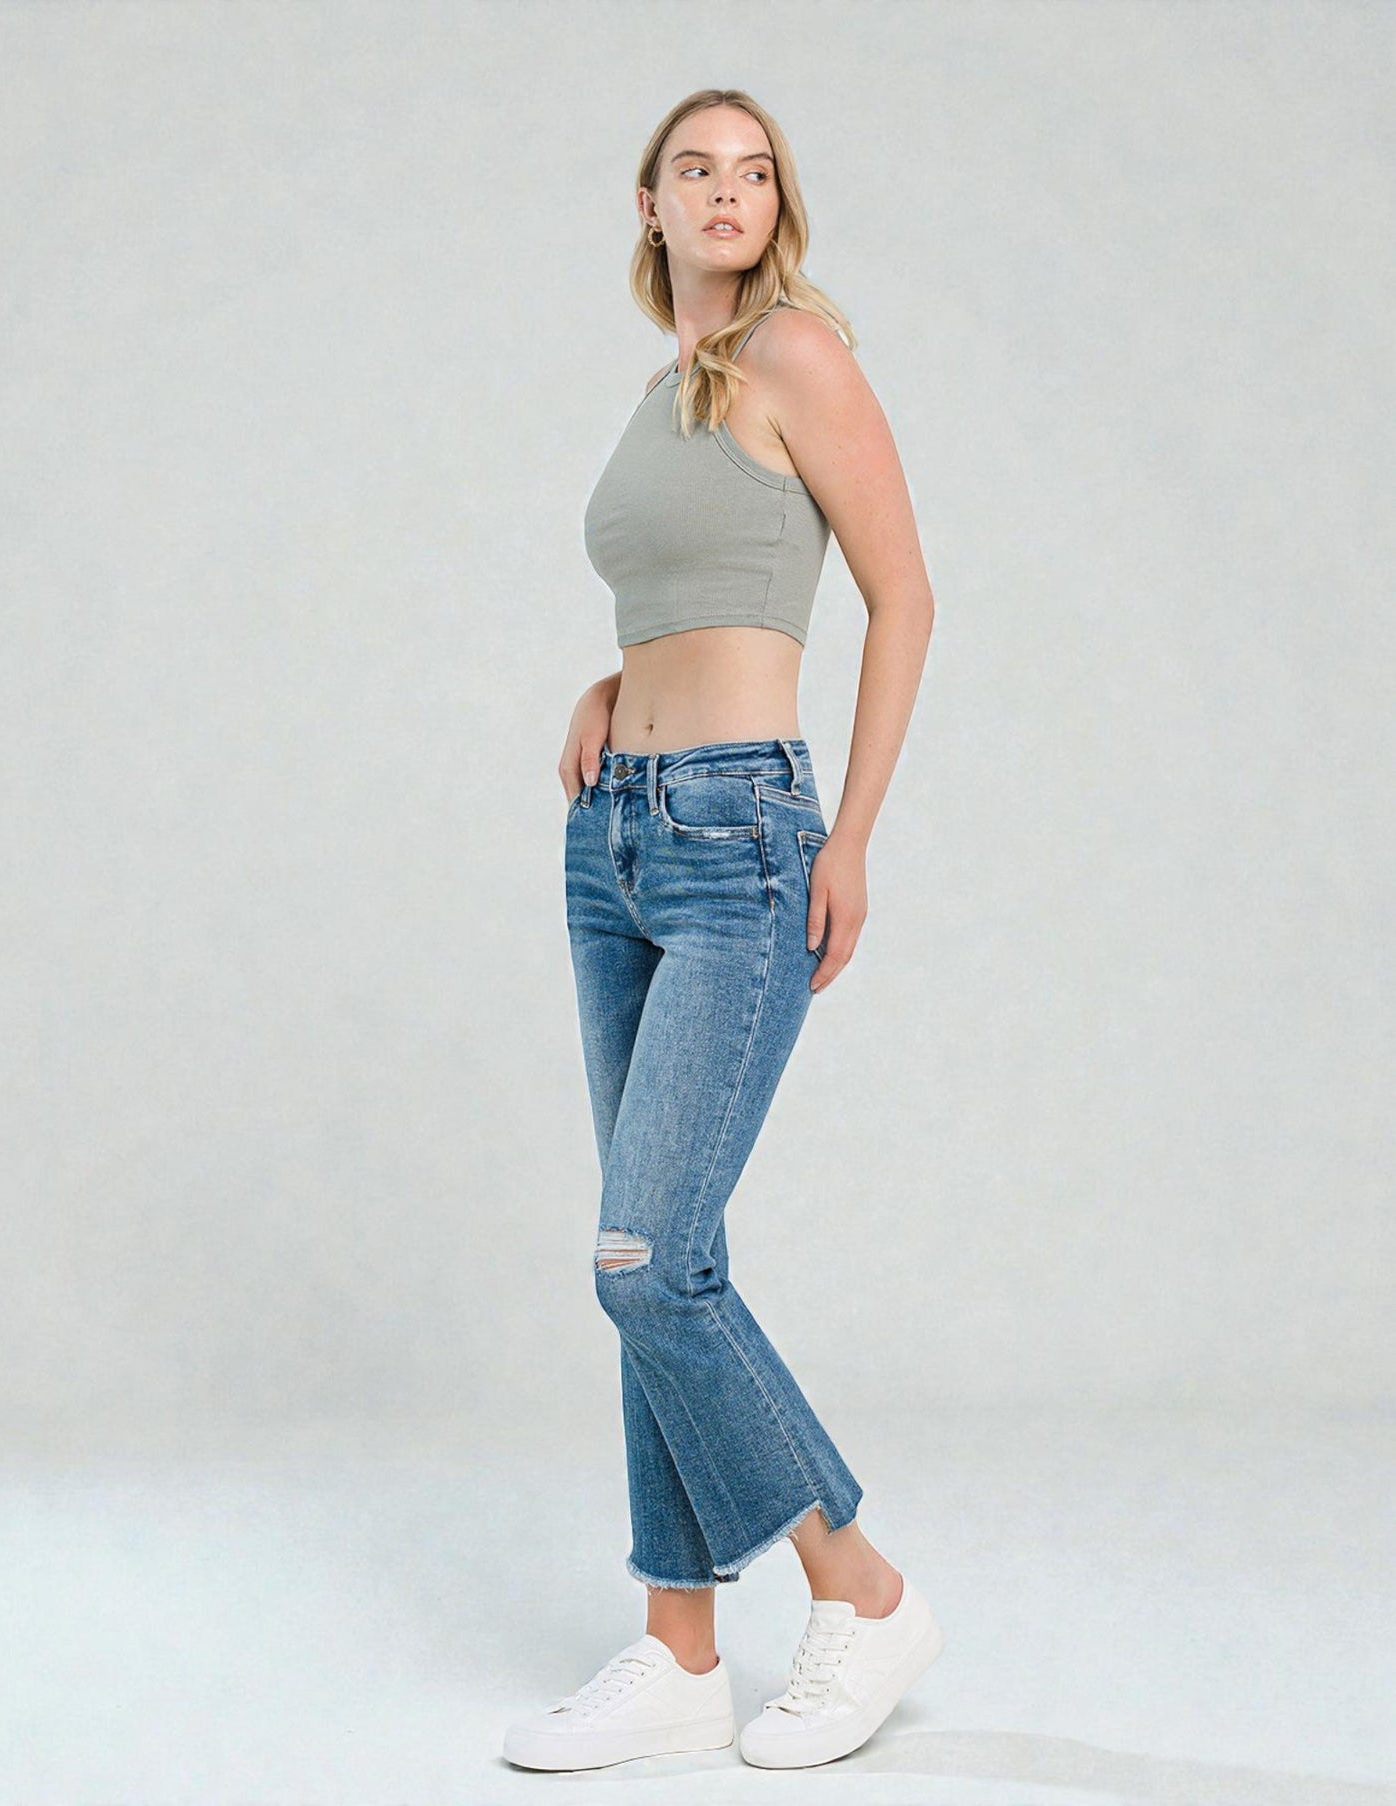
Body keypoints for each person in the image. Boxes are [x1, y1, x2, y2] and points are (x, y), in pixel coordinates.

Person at [503, 88, 939, 1774]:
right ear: (648, 204)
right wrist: (620, 676)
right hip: (612, 834)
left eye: (754, 172)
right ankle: (679, 1646)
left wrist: (852, 832)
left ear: (775, 208)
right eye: (699, 168)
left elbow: (901, 590)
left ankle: (863, 1584)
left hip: (745, 838)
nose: (729, 191)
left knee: (645, 1263)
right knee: (650, 1248)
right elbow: (692, 587)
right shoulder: (657, 390)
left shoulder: (800, 358)